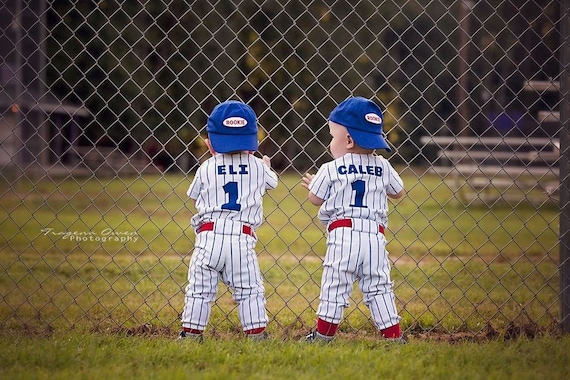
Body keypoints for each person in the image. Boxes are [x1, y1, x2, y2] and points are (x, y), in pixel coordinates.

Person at [301, 96, 405, 343]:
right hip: (374, 237)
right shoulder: (383, 165)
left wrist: (314, 185)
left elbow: (315, 199)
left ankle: (324, 335)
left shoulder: (330, 168)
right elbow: (398, 192)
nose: (330, 142)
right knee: (379, 286)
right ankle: (393, 337)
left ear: (347, 140)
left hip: (342, 236)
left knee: (335, 285)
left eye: (332, 136)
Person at [179, 100, 278, 341]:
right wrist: (265, 166)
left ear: (209, 145)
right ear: (253, 145)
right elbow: (272, 183)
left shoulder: (206, 167)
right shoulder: (257, 165)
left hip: (208, 237)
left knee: (199, 291)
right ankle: (256, 333)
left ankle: (191, 333)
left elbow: (195, 199)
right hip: (241, 240)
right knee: (249, 290)